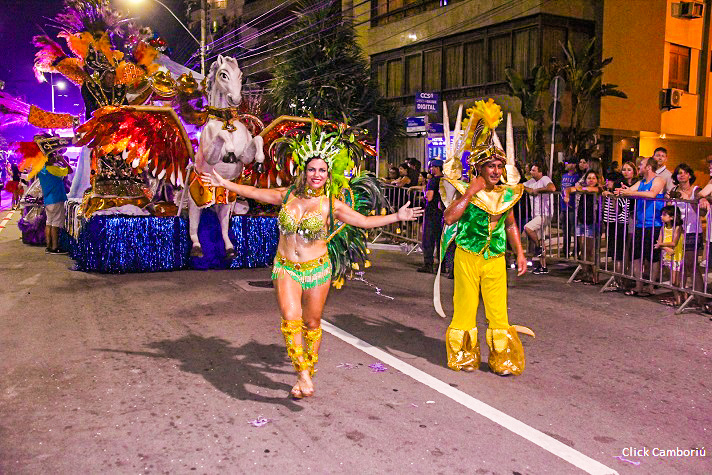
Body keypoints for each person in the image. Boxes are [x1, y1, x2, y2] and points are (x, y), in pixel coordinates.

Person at [201, 124, 423, 398]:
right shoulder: (288, 196)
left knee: (312, 323)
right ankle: (303, 375)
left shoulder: (333, 204)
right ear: (304, 172)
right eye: (312, 169)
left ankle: (310, 366)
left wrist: (397, 217)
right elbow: (256, 193)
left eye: (322, 170)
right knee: (291, 319)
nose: (316, 175)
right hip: (285, 267)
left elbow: (364, 222)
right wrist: (226, 184)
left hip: (317, 269)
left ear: (328, 174)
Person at [439, 99, 530, 376]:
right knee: (465, 308)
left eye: (499, 166)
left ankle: (502, 360)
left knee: (498, 310)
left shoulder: (507, 193)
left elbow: (511, 224)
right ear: (479, 168)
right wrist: (468, 193)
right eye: (490, 166)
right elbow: (449, 218)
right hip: (468, 255)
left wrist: (521, 252)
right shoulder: (466, 189)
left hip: (495, 258)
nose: (495, 171)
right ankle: (464, 356)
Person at [616, 157, 665, 297]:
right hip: (639, 223)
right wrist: (622, 191)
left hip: (654, 223)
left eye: (641, 165)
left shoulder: (658, 180)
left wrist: (630, 192)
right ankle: (638, 286)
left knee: (652, 256)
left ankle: (650, 286)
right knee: (636, 255)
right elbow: (630, 191)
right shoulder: (641, 182)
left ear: (649, 167)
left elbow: (652, 193)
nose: (639, 167)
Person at [601, 160, 636, 288]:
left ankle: (624, 277)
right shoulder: (618, 188)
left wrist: (615, 197)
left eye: (629, 169)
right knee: (618, 252)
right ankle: (619, 278)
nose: (625, 172)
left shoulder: (632, 187)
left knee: (625, 251)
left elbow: (622, 208)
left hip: (626, 222)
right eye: (624, 169)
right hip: (617, 223)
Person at [565, 170, 603, 283]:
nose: (591, 180)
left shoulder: (598, 189)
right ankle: (585, 273)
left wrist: (579, 188)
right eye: (589, 178)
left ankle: (595, 276)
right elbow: (568, 189)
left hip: (593, 222)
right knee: (582, 249)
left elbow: (591, 189)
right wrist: (566, 195)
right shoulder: (582, 188)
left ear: (597, 180)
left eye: (593, 178)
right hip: (581, 221)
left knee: (591, 251)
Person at [37, 149, 73, 254]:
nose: (55, 157)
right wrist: (63, 160)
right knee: (56, 224)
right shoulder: (52, 169)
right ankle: (55, 247)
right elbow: (69, 170)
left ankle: (48, 246)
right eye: (53, 156)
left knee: (49, 223)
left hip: (48, 199)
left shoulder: (41, 169)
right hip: (56, 198)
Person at [523, 162, 555, 274]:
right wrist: (530, 190)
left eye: (533, 170)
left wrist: (538, 190)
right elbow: (523, 186)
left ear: (540, 172)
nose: (531, 172)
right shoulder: (531, 181)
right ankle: (543, 266)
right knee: (541, 239)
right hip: (536, 214)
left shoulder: (545, 179)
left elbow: (552, 188)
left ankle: (537, 247)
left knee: (528, 228)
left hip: (545, 213)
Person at [417, 159, 444, 274]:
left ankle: (428, 264)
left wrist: (424, 194)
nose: (430, 170)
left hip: (432, 213)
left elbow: (429, 197)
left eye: (431, 167)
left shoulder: (433, 181)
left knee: (428, 239)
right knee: (440, 240)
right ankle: (442, 265)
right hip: (442, 213)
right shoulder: (445, 180)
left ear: (436, 168)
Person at [656, 205, 684, 305]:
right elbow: (658, 242)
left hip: (677, 256)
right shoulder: (663, 227)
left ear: (672, 217)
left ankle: (681, 298)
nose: (661, 217)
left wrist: (661, 245)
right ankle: (678, 299)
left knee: (674, 281)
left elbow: (673, 243)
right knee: (672, 280)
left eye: (664, 215)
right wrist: (665, 248)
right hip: (667, 255)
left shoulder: (677, 227)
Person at [560, 157, 580, 258]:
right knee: (565, 230)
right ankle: (565, 251)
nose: (566, 165)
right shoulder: (564, 176)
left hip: (572, 207)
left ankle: (576, 251)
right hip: (564, 207)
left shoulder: (577, 177)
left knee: (574, 230)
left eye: (568, 163)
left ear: (573, 165)